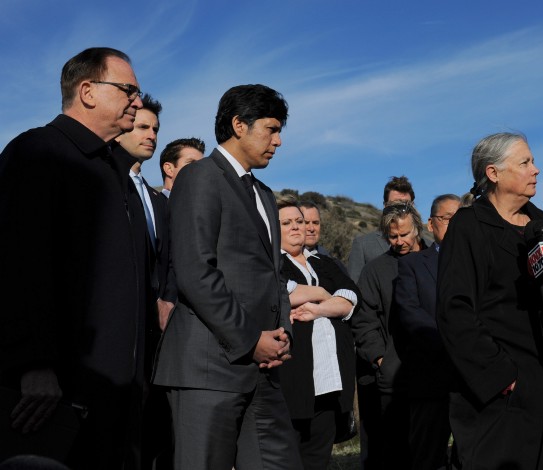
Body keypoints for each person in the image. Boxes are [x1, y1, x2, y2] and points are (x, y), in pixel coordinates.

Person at [0, 47, 147, 468]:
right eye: (127, 90)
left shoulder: (116, 172)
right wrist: (34, 365)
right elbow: (17, 266)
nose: (137, 101)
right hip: (57, 391)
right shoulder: (37, 153)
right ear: (87, 91)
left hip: (119, 394)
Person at [152, 84, 302, 470]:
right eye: (271, 129)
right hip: (207, 368)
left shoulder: (265, 194)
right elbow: (195, 271)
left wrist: (281, 333)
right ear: (239, 124)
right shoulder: (200, 177)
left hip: (263, 369)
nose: (278, 140)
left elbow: (273, 274)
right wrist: (251, 339)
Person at [436, 132, 543, 469]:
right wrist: (501, 376)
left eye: (533, 161)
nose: (536, 170)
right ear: (494, 173)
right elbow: (455, 310)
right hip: (505, 396)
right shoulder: (470, 226)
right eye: (525, 162)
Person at [115, 93, 177, 470]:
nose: (151, 135)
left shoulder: (160, 201)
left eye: (155, 128)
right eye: (142, 127)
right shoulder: (109, 189)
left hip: (159, 331)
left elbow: (171, 260)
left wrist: (167, 299)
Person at [276, 196, 360, 470]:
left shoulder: (325, 263)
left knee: (317, 458)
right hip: (292, 380)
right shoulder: (270, 264)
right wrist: (324, 295)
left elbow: (350, 297)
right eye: (287, 223)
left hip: (329, 380)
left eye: (299, 221)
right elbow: (285, 291)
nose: (297, 227)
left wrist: (317, 310)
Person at [351, 201, 427, 469]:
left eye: (405, 235)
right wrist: (382, 360)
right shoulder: (375, 270)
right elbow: (364, 320)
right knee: (396, 452)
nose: (400, 242)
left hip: (435, 374)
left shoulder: (438, 260)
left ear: (417, 229)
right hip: (395, 379)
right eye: (393, 237)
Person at [393, 193, 460, 469]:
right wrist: (455, 342)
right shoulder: (412, 265)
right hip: (432, 378)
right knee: (428, 458)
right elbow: (410, 313)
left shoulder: (483, 264)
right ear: (431, 224)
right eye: (447, 219)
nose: (455, 225)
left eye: (461, 219)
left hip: (475, 380)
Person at [347, 176, 415, 281]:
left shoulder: (428, 245)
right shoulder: (363, 245)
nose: (401, 209)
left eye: (406, 204)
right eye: (395, 204)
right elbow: (353, 287)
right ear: (385, 206)